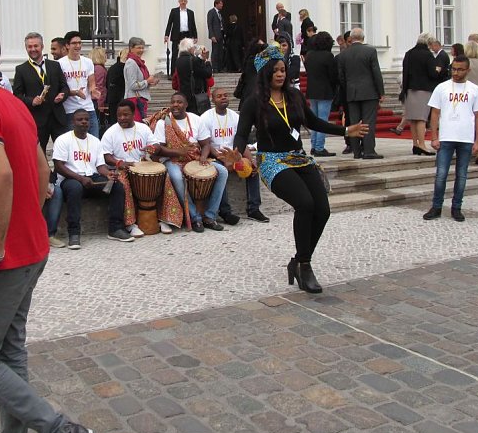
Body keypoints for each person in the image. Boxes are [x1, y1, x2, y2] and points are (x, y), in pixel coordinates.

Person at [0, 20, 94, 433]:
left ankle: (61, 431)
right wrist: (27, 224)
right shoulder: (13, 102)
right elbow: (43, 169)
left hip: (4, 256)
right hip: (33, 247)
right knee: (9, 353)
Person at [233, 45, 368, 293]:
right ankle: (305, 266)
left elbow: (313, 121)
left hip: (299, 158)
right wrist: (237, 151)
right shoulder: (254, 102)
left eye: (283, 70)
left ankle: (297, 260)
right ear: (265, 73)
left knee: (323, 209)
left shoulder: (294, 96)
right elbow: (242, 133)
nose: (281, 74)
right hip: (272, 161)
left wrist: (345, 130)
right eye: (275, 71)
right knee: (305, 204)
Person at [52, 109, 133, 248]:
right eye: (80, 119)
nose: (84, 122)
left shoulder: (95, 141)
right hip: (70, 179)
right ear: (73, 122)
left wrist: (108, 174)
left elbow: (100, 165)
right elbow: (59, 166)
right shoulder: (63, 139)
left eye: (86, 119)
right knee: (75, 188)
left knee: (117, 186)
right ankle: (74, 233)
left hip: (92, 178)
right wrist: (80, 178)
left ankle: (115, 228)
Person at [101, 100, 182, 235]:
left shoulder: (143, 128)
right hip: (122, 168)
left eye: (126, 115)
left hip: (144, 164)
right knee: (122, 183)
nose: (122, 118)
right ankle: (130, 224)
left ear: (133, 114)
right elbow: (105, 155)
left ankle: (164, 219)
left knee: (164, 177)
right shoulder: (110, 132)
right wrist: (119, 163)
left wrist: (152, 148)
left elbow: (156, 146)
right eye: (119, 115)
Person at [423, 56, 478, 223]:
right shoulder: (442, 87)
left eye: (460, 69)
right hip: (446, 137)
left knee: (462, 175)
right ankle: (436, 206)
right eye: (454, 69)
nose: (456, 72)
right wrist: (434, 136)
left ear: (467, 70)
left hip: (465, 137)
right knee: (441, 174)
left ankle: (456, 207)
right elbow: (435, 113)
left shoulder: (474, 89)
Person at [153, 92, 228, 232]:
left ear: (186, 105)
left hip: (195, 158)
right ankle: (195, 217)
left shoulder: (195, 119)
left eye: (179, 102)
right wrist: (178, 152)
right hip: (173, 160)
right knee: (176, 176)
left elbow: (205, 144)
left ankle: (210, 216)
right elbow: (158, 149)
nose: (175, 105)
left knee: (222, 171)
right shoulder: (163, 122)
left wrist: (203, 157)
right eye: (173, 102)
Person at [200, 87, 269, 223]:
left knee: (252, 169)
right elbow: (206, 144)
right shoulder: (206, 118)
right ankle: (225, 212)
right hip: (216, 156)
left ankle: (253, 209)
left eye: (225, 95)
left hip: (235, 153)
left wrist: (250, 160)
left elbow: (241, 140)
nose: (223, 98)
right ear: (213, 100)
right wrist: (225, 160)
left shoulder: (236, 116)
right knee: (221, 172)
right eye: (219, 96)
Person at [12, 32, 69, 152]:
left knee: (64, 151)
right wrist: (31, 101)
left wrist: (62, 95)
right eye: (30, 47)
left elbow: (65, 87)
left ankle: (60, 171)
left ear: (42, 47)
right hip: (37, 119)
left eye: (36, 46)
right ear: (26, 48)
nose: (33, 49)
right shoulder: (21, 69)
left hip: (57, 117)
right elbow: (16, 96)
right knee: (39, 154)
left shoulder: (55, 65)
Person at [337, 27, 385, 159]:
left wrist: (348, 89)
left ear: (351, 39)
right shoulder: (370, 51)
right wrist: (381, 91)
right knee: (368, 121)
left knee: (353, 122)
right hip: (369, 92)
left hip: (351, 92)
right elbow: (376, 73)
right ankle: (369, 150)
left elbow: (341, 77)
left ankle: (356, 152)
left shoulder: (343, 55)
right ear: (363, 38)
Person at [401, 33, 443, 157]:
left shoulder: (409, 53)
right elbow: (432, 74)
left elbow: (405, 72)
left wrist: (404, 89)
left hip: (410, 89)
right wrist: (438, 70)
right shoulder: (427, 55)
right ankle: (422, 145)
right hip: (423, 89)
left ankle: (415, 144)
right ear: (428, 43)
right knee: (421, 118)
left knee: (413, 119)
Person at [59, 31, 101, 138]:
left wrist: (93, 91)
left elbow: (91, 82)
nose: (78, 46)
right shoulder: (60, 63)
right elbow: (60, 87)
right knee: (74, 142)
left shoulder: (87, 62)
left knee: (94, 139)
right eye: (74, 43)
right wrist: (75, 92)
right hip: (70, 110)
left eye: (79, 43)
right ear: (67, 45)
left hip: (88, 108)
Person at [304, 31, 338, 157]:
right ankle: (319, 147)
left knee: (314, 119)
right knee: (323, 120)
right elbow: (333, 76)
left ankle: (314, 145)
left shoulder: (310, 55)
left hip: (312, 90)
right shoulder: (328, 56)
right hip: (325, 91)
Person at [123, 37, 158, 120]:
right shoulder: (131, 63)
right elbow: (132, 85)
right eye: (138, 48)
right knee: (137, 125)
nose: (141, 50)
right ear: (131, 48)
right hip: (134, 100)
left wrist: (150, 82)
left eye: (142, 48)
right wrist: (147, 81)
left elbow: (140, 82)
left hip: (140, 99)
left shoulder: (138, 63)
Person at [175, 37, 212, 115]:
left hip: (184, 93)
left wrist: (200, 59)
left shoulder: (179, 60)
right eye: (193, 47)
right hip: (195, 95)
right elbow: (207, 73)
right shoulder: (192, 60)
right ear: (189, 48)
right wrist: (207, 62)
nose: (194, 49)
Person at [164, 0, 197, 78]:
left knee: (188, 53)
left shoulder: (190, 12)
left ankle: (188, 72)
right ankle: (173, 74)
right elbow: (169, 23)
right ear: (179, 1)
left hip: (187, 35)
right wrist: (166, 35)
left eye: (184, 1)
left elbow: (193, 25)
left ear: (187, 2)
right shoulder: (174, 11)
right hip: (176, 35)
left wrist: (195, 36)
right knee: (175, 54)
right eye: (181, 1)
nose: (183, 2)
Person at [236, 39, 267, 111]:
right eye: (261, 46)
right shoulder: (254, 60)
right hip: (252, 94)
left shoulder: (251, 59)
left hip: (253, 93)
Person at [106, 48, 128, 125]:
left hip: (111, 98)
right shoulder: (126, 68)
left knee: (113, 121)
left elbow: (107, 83)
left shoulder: (112, 68)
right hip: (122, 98)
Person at [90, 47, 109, 130]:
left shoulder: (95, 68)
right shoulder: (99, 69)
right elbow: (99, 87)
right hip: (97, 101)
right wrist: (100, 104)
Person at [206, 0, 225, 73]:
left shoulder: (220, 13)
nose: (222, 5)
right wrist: (212, 35)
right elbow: (210, 24)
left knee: (220, 52)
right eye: (221, 4)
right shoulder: (211, 12)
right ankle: (215, 68)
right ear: (216, 4)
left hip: (221, 34)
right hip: (215, 35)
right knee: (215, 52)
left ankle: (220, 67)